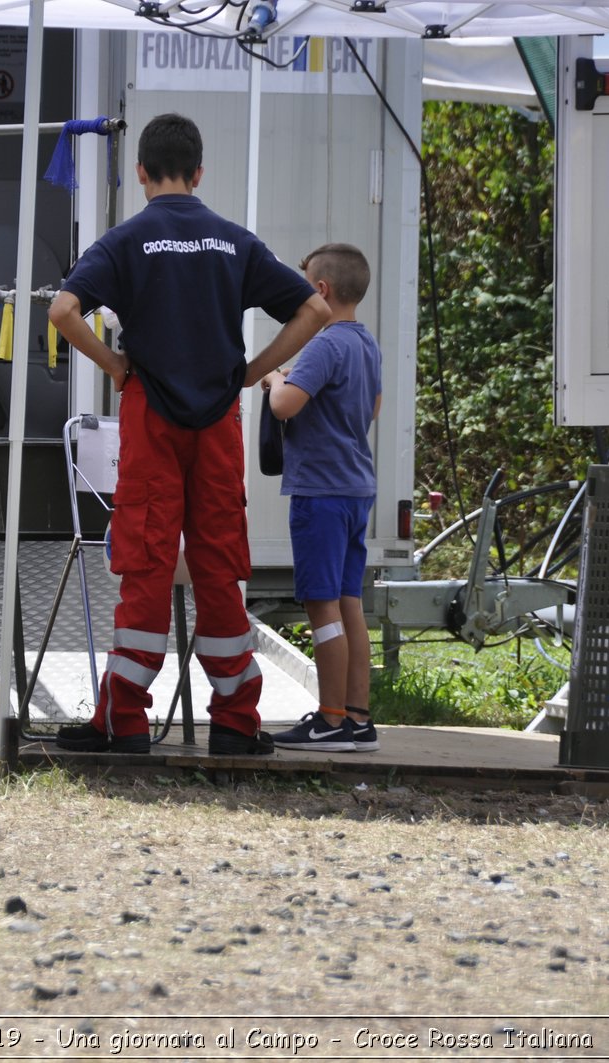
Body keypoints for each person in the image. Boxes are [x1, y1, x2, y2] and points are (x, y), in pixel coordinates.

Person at [48, 113, 330, 756]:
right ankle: (234, 722)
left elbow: (63, 311)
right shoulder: (234, 242)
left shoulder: (125, 240)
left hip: (152, 413)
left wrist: (115, 364)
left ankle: (124, 721)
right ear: (199, 173)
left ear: (141, 172)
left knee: (146, 561)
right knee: (219, 562)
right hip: (217, 420)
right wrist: (253, 370)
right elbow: (313, 308)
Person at [261, 243, 382, 753]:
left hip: (321, 492)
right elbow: (373, 407)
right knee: (349, 601)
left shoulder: (324, 345)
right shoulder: (366, 344)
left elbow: (286, 406)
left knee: (320, 604)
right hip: (356, 488)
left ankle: (329, 720)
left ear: (321, 290)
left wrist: (272, 378)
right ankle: (358, 717)